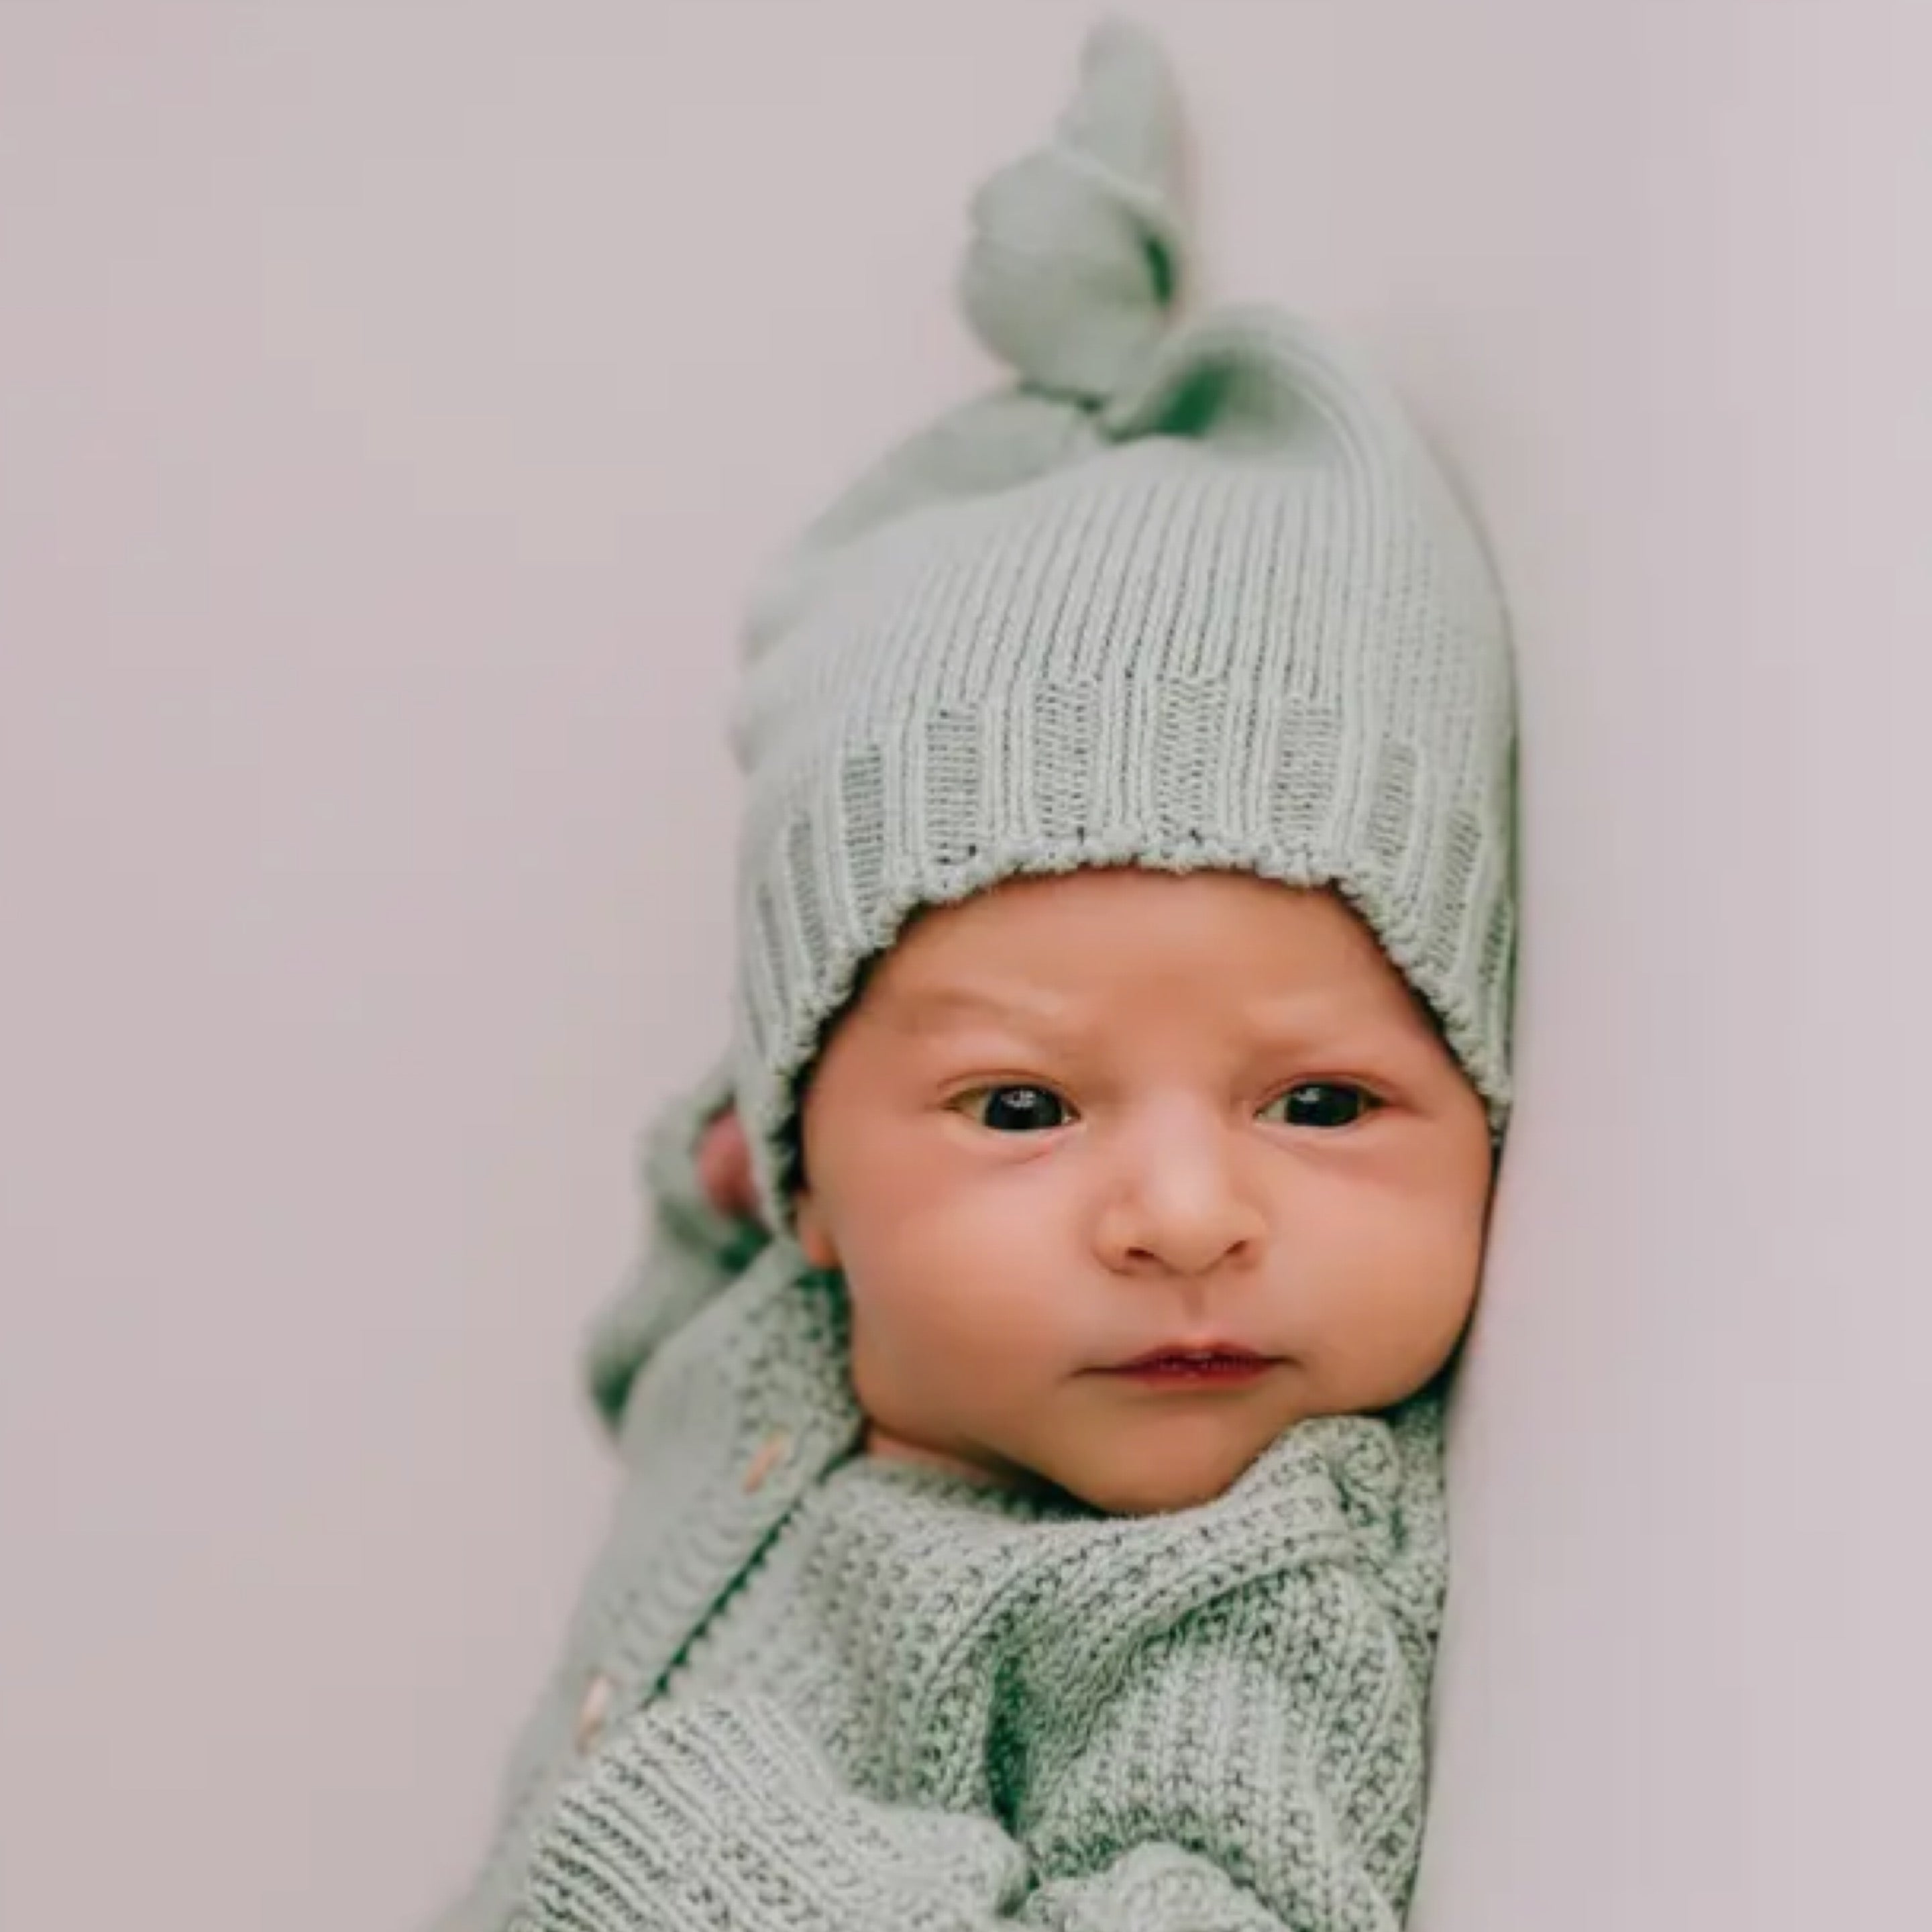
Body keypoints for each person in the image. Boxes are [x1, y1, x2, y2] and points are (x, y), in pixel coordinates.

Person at [431, 14, 1518, 1930]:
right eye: (1023, 1106)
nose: (1187, 1216)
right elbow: (645, 1359)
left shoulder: (1230, 1592)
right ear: (809, 1184)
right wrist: (723, 1187)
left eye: (1323, 1102)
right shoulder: (797, 1330)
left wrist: (708, 1873)